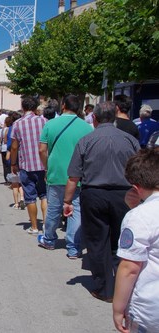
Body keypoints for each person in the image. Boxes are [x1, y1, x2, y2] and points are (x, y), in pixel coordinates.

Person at [63, 101, 140, 302]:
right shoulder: (130, 140)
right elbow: (139, 171)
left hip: (94, 194)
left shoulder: (86, 141)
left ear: (94, 119)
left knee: (97, 242)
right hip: (124, 195)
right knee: (121, 240)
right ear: (114, 117)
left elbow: (73, 177)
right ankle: (124, 284)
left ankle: (105, 288)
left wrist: (67, 201)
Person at [38, 94, 93, 259]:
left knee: (54, 208)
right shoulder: (86, 127)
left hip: (55, 172)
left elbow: (42, 150)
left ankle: (49, 239)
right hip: (77, 176)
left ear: (63, 106)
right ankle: (73, 248)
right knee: (76, 211)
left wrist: (47, 167)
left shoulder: (50, 124)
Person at [113, 148, 159, 333]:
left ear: (136, 187)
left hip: (151, 308)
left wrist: (118, 308)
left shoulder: (138, 217)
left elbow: (129, 268)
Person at [10, 96, 47, 234]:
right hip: (43, 164)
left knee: (30, 197)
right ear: (36, 107)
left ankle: (34, 226)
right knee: (44, 195)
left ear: (23, 107)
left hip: (26, 164)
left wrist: (13, 163)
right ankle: (46, 225)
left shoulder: (18, 124)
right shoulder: (45, 121)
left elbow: (14, 147)